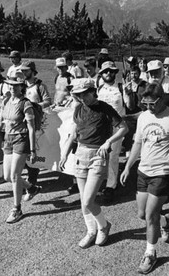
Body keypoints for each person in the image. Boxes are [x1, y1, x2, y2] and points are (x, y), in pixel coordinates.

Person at [120, 83, 169, 274]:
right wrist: (128, 167)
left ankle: (150, 253)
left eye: (152, 104)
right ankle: (166, 221)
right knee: (141, 214)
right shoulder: (144, 117)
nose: (148, 108)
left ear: (162, 99)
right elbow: (137, 143)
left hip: (163, 172)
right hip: (143, 171)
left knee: (150, 215)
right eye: (144, 104)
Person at [59, 78, 128, 248]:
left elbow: (124, 128)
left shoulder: (105, 108)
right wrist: (64, 155)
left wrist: (108, 142)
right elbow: (74, 135)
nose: (82, 98)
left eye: (85, 94)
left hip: (98, 154)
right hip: (81, 153)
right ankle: (91, 230)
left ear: (92, 91)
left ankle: (104, 226)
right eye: (78, 95)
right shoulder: (78, 109)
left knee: (89, 200)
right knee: (84, 200)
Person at [0, 71, 41, 223]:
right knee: (6, 176)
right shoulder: (5, 101)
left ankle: (16, 208)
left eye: (16, 85)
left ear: (21, 86)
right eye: (10, 85)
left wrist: (32, 150)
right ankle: (31, 187)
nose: (12, 88)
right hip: (8, 140)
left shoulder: (26, 104)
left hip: (21, 139)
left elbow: (31, 128)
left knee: (15, 176)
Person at [95, 61, 128, 204]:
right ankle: (102, 180)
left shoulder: (121, 87)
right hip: (102, 127)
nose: (108, 73)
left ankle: (111, 186)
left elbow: (129, 106)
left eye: (111, 71)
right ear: (101, 74)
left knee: (113, 155)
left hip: (117, 126)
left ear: (115, 73)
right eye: (105, 71)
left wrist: (129, 93)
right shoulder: (99, 88)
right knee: (102, 155)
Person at [19, 60, 52, 201]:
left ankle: (32, 183)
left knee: (34, 154)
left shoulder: (40, 86)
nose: (23, 73)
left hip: (36, 123)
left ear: (32, 71)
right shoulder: (20, 86)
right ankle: (29, 181)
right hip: (21, 124)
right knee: (23, 153)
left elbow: (48, 101)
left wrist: (33, 106)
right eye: (22, 71)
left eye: (26, 71)